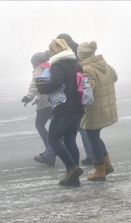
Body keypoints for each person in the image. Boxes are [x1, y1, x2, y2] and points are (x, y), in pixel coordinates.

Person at [37, 39, 84, 186]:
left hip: (64, 108)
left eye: (51, 51)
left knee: (54, 139)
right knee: (70, 140)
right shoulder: (75, 64)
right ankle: (73, 178)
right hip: (77, 108)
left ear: (55, 51)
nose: (50, 53)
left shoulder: (58, 64)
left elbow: (56, 82)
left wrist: (42, 88)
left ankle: (72, 168)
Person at [77, 41, 118, 181]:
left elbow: (89, 89)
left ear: (81, 55)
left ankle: (100, 169)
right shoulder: (104, 64)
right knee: (95, 136)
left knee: (92, 137)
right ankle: (107, 165)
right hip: (106, 106)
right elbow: (115, 77)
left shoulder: (87, 68)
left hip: (94, 109)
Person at [56, 33, 94, 165]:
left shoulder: (68, 54)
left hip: (73, 99)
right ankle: (92, 154)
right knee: (81, 129)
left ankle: (89, 156)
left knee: (73, 132)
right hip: (80, 98)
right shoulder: (78, 50)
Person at [22, 51, 56, 166]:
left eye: (32, 63)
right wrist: (37, 98)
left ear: (37, 62)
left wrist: (29, 97)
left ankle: (49, 149)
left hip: (45, 104)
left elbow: (35, 85)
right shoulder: (52, 67)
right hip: (56, 101)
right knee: (54, 128)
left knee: (39, 124)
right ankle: (50, 152)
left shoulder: (38, 70)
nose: (32, 66)